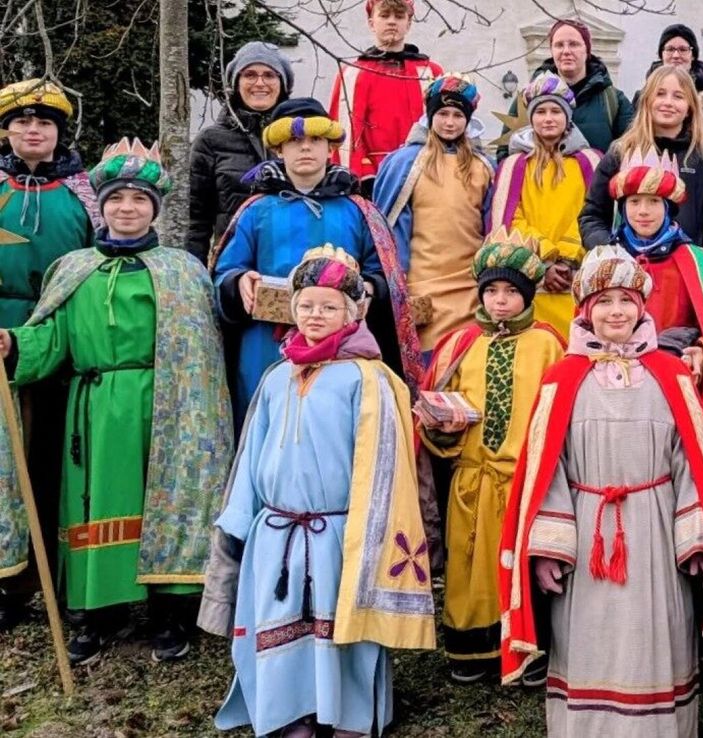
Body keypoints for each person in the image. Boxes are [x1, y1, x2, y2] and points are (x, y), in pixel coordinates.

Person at [0, 139, 233, 665]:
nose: (127, 208)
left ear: (155, 207)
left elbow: (202, 350)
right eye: (116, 200)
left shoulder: (182, 270)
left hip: (165, 404)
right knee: (96, 503)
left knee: (165, 500)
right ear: (100, 207)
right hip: (96, 407)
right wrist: (16, 344)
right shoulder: (72, 267)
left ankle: (169, 610)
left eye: (139, 200)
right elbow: (52, 336)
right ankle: (96, 613)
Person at [201, 247, 435, 738]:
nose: (315, 316)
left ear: (354, 312)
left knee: (340, 631)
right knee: (283, 624)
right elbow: (251, 456)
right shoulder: (276, 377)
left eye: (330, 307)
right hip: (277, 532)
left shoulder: (371, 379)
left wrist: (367, 540)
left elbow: (388, 470)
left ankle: (348, 715)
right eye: (306, 305)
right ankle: (291, 713)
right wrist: (240, 522)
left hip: (339, 532)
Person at [497, 244, 703, 737]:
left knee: (655, 636)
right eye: (603, 302)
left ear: (642, 307)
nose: (616, 312)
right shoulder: (562, 379)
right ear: (585, 310)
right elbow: (547, 469)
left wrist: (694, 542)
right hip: (586, 530)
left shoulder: (671, 374)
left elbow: (692, 460)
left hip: (655, 531)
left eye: (626, 300)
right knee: (589, 637)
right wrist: (548, 550)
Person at [212, 98, 421, 423]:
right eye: (295, 141)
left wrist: (368, 286)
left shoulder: (358, 211)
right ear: (279, 150)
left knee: (331, 426)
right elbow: (226, 270)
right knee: (267, 424)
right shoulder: (256, 210)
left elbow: (383, 275)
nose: (305, 148)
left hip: (342, 345)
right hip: (266, 343)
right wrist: (238, 279)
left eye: (315, 141)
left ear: (330, 148)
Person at [417, 231, 564, 684]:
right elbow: (434, 405)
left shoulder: (548, 344)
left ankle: (529, 649)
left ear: (528, 295)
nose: (501, 301)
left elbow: (558, 411)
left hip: (523, 480)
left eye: (512, 292)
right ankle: (472, 648)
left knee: (523, 566)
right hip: (471, 476)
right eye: (493, 291)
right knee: (470, 566)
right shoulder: (460, 343)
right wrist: (442, 426)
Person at [0, 78, 100, 632]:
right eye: (21, 123)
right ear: (8, 130)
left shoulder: (85, 191)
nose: (32, 131)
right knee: (5, 467)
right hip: (2, 335)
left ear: (59, 132)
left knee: (58, 460)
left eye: (44, 123)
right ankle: (10, 583)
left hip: (67, 338)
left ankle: (66, 579)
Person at [600, 148, 703, 461]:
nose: (643, 211)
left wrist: (702, 351)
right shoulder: (604, 265)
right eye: (634, 202)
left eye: (653, 202)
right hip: (619, 387)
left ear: (668, 208)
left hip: (678, 385)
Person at [374, 74, 494, 350]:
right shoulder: (405, 162)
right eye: (442, 114)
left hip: (468, 286)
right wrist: (398, 279)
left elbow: (490, 223)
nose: (450, 122)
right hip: (420, 284)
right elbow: (392, 228)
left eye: (457, 115)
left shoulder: (483, 166)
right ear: (429, 116)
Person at [579, 66, 703, 256]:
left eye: (678, 96)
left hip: (686, 272)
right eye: (660, 94)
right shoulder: (622, 151)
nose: (668, 102)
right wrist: (611, 253)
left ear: (690, 107)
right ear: (647, 100)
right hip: (631, 269)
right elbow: (592, 215)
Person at [488, 73, 602, 336]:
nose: (548, 118)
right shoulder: (514, 167)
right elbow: (508, 220)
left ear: (567, 117)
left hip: (578, 275)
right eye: (540, 111)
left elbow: (595, 214)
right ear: (531, 118)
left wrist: (567, 257)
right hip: (532, 279)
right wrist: (546, 262)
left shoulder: (590, 162)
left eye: (555, 111)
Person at [188, 42, 295, 263]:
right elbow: (196, 221)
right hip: (233, 265)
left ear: (283, 84)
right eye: (249, 75)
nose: (259, 83)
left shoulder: (299, 139)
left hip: (290, 261)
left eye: (269, 75)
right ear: (236, 83)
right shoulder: (211, 141)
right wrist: (194, 273)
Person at [328, 0, 444, 193]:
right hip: (374, 177)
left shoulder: (430, 72)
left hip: (426, 173)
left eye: (399, 17)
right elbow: (344, 131)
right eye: (384, 15)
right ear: (371, 22)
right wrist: (361, 177)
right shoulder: (353, 73)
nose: (392, 22)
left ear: (408, 23)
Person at [496, 19, 634, 157]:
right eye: (559, 45)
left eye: (574, 44)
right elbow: (506, 153)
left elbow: (632, 150)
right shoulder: (528, 98)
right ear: (552, 51)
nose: (566, 51)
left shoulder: (613, 100)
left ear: (587, 50)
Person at [637, 23, 703, 99]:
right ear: (661, 54)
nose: (676, 55)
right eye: (670, 49)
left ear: (693, 55)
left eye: (683, 50)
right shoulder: (644, 95)